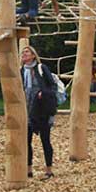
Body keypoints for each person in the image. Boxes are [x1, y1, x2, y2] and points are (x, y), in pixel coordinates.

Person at [20, 46, 56, 181]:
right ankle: (28, 170)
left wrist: (43, 93)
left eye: (26, 52)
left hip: (42, 109)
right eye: (22, 52)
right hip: (27, 110)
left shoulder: (41, 68)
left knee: (45, 140)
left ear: (33, 55)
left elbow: (52, 86)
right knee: (26, 141)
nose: (24, 54)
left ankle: (49, 170)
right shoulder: (22, 71)